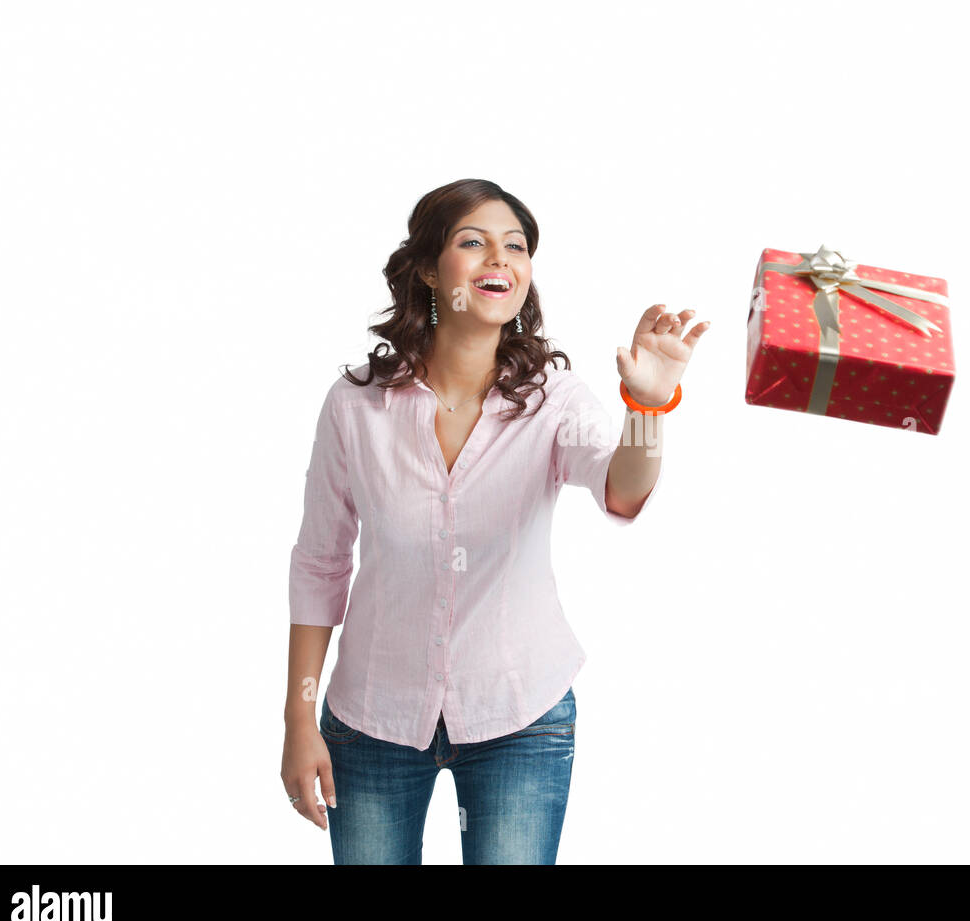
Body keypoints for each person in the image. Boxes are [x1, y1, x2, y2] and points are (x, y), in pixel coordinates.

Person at [279, 178, 708, 864]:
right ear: (428, 269)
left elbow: (622, 490)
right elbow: (321, 562)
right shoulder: (355, 406)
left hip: (519, 715)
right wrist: (299, 716)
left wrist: (647, 409)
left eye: (516, 246)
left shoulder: (554, 400)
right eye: (473, 242)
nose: (499, 259)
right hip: (372, 717)